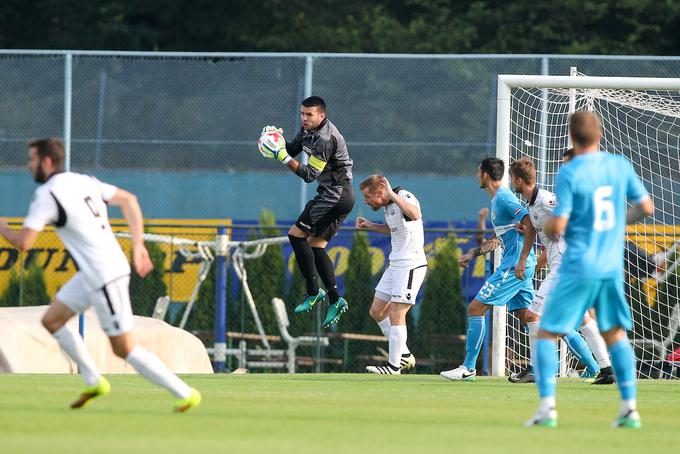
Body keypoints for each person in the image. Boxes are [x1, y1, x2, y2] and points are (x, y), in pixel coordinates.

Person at [0, 138, 201, 412]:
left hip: (105, 274)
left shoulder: (47, 194)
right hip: (95, 273)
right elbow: (129, 200)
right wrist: (138, 244)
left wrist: (3, 228)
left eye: (32, 159)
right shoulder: (83, 181)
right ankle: (93, 380)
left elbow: (24, 243)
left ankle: (184, 392)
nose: (28, 164)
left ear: (47, 161)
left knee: (125, 349)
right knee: (52, 320)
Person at [526, 112, 654, 428]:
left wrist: (554, 225)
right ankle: (629, 410)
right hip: (610, 265)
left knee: (544, 331)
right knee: (615, 334)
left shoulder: (570, 173)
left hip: (578, 264)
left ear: (571, 137)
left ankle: (547, 410)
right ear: (600, 135)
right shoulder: (619, 165)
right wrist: (615, 223)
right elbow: (646, 208)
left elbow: (560, 221)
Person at [509, 157, 614, 385]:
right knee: (582, 318)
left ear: (518, 180)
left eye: (511, 179)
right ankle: (607, 369)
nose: (511, 183)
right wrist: (526, 255)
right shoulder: (532, 205)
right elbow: (534, 232)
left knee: (532, 315)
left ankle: (537, 370)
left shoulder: (547, 200)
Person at [259, 96, 354, 328]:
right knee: (315, 246)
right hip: (335, 195)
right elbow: (290, 149)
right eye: (302, 113)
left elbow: (309, 175)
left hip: (335, 194)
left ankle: (313, 291)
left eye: (309, 115)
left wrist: (282, 157)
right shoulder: (307, 130)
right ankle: (335, 299)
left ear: (322, 115)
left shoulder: (325, 137)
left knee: (295, 235)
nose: (304, 118)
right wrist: (273, 140)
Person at [440, 157, 538, 381]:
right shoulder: (497, 202)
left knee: (475, 309)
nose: (476, 176)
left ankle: (468, 368)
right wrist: (472, 254)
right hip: (519, 265)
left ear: (485, 174)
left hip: (514, 266)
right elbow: (498, 239)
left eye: (478, 172)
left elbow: (529, 222)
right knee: (529, 317)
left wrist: (522, 260)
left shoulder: (504, 198)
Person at [356, 175, 427, 374]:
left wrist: (393, 196)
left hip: (411, 264)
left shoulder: (403, 196)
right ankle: (403, 354)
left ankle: (394, 365)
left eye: (367, 196)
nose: (365, 201)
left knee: (397, 312)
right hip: (395, 265)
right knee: (377, 311)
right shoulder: (388, 207)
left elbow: (415, 214)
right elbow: (394, 229)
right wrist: (371, 226)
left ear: (381, 192)